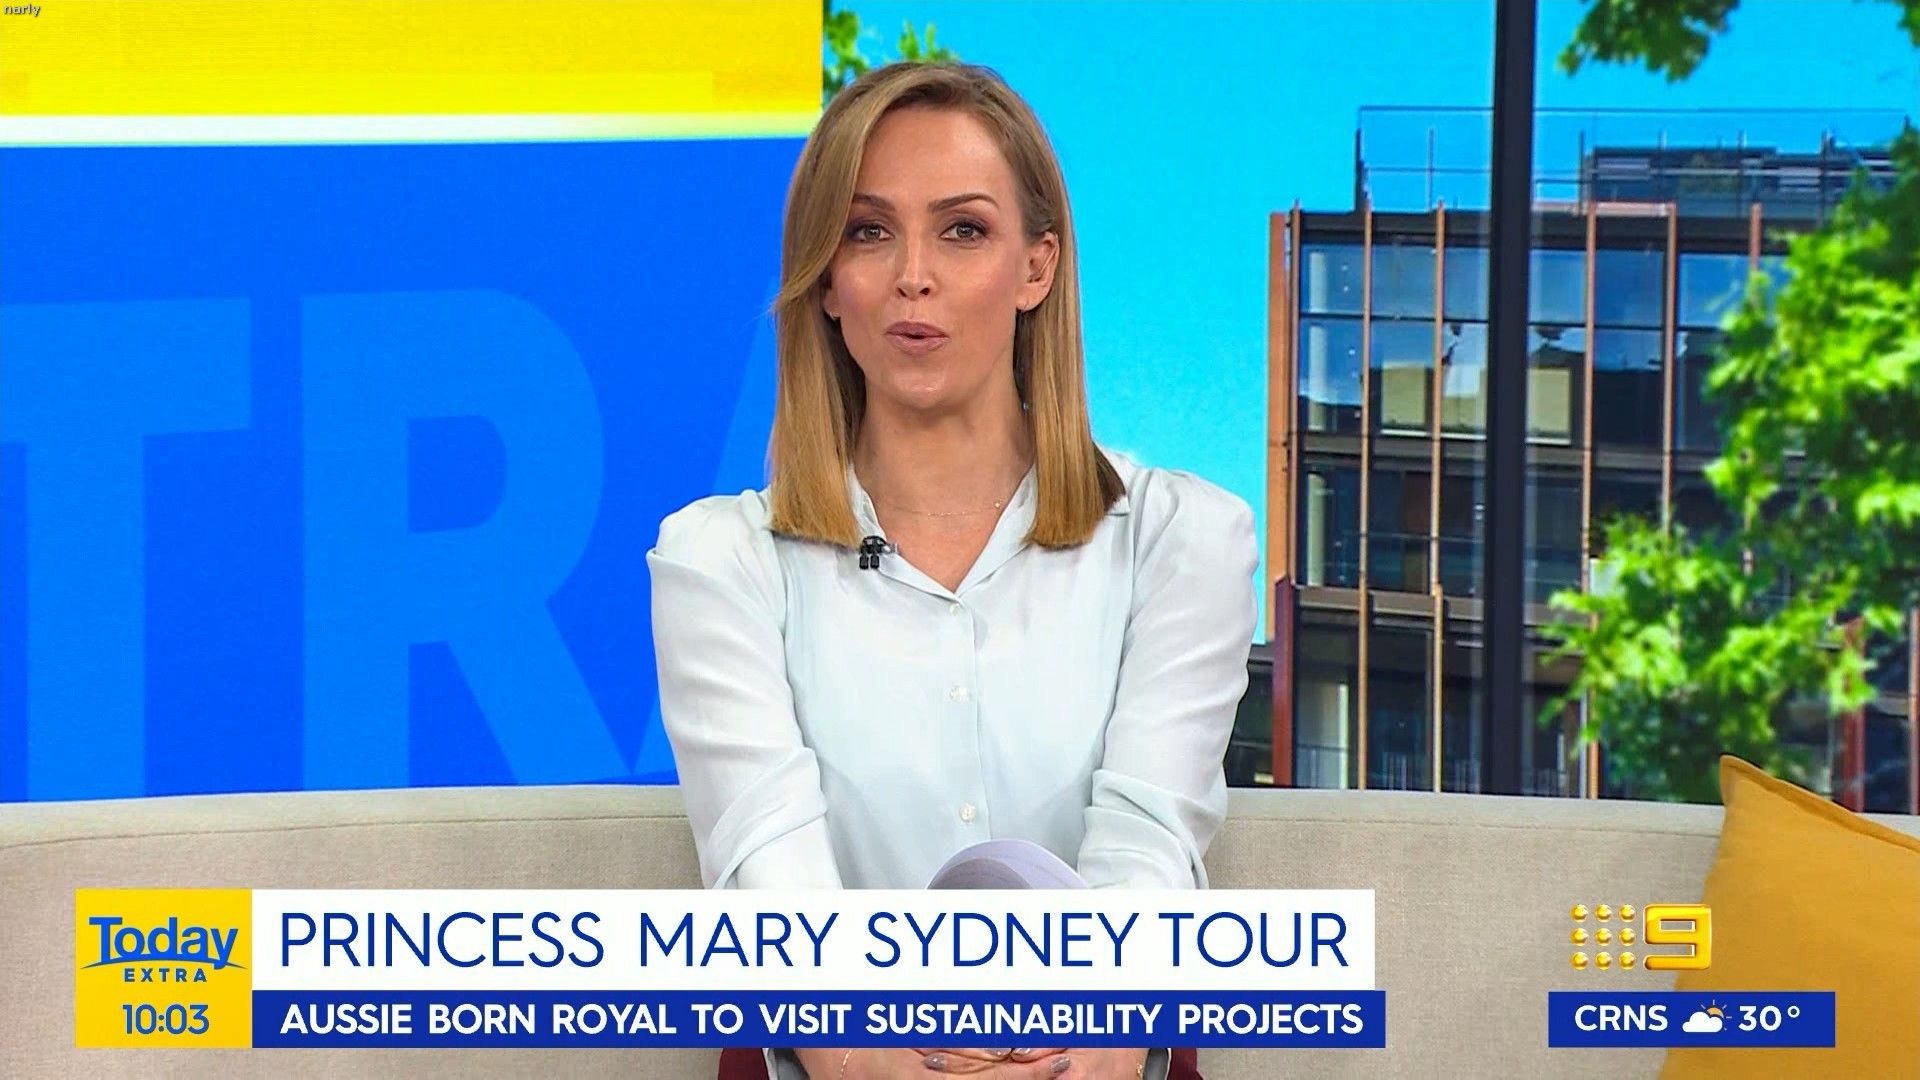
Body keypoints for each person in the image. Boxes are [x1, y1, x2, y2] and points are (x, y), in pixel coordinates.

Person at [647, 60, 1257, 1080]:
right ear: (826, 282)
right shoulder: (720, 563)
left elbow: (1148, 851)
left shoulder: (1180, 539)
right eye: (867, 231)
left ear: (1036, 268)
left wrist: (1086, 1044)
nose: (912, 275)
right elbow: (773, 888)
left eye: (963, 230)